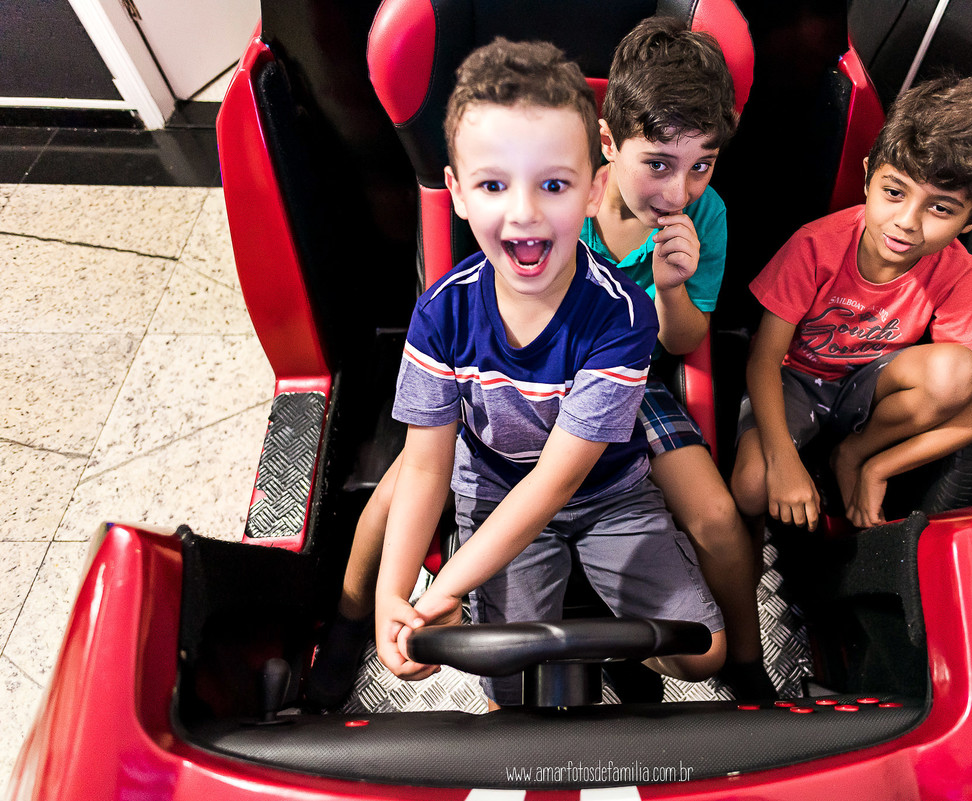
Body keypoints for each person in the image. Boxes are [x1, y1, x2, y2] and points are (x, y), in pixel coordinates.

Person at [309, 37, 725, 709]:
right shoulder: (441, 314)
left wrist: (444, 588)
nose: (525, 212)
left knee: (703, 653)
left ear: (591, 190)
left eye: (553, 185)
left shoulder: (622, 316)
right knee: (506, 684)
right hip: (493, 485)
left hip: (605, 493)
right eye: (494, 185)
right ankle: (349, 618)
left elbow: (557, 480)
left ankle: (617, 648)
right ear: (457, 193)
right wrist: (395, 599)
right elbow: (426, 469)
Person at [730, 76, 972, 532]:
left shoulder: (957, 271)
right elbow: (764, 360)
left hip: (868, 391)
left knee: (957, 372)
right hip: (794, 381)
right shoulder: (815, 246)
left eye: (940, 208)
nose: (907, 222)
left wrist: (875, 464)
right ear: (869, 175)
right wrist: (784, 462)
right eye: (894, 192)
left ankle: (846, 454)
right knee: (752, 488)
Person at [583, 16, 773, 700]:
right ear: (609, 143)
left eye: (701, 165)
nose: (680, 191)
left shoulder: (707, 216)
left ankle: (747, 663)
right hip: (540, 384)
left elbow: (684, 341)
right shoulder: (562, 194)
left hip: (635, 384)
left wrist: (669, 288)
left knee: (719, 520)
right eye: (658, 164)